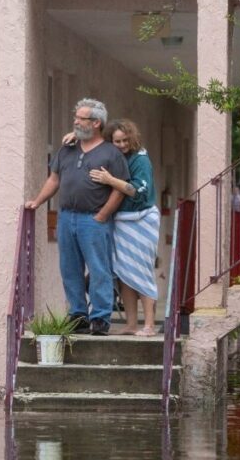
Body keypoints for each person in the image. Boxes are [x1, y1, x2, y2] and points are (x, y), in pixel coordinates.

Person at [25, 99, 130, 335]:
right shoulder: (67, 149)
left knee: (98, 268)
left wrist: (103, 215)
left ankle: (101, 317)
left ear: (95, 123)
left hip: (93, 219)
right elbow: (54, 179)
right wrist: (38, 202)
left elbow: (120, 189)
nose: (75, 121)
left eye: (80, 118)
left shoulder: (111, 153)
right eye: (76, 117)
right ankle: (78, 314)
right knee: (69, 268)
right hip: (66, 217)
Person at [79, 119, 160, 336]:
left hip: (141, 220)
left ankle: (150, 325)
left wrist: (109, 179)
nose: (122, 144)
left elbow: (138, 191)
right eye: (117, 141)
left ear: (132, 138)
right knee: (125, 273)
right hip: (122, 221)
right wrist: (73, 136)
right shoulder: (115, 157)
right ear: (110, 141)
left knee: (142, 271)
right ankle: (132, 324)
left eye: (125, 140)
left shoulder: (140, 160)